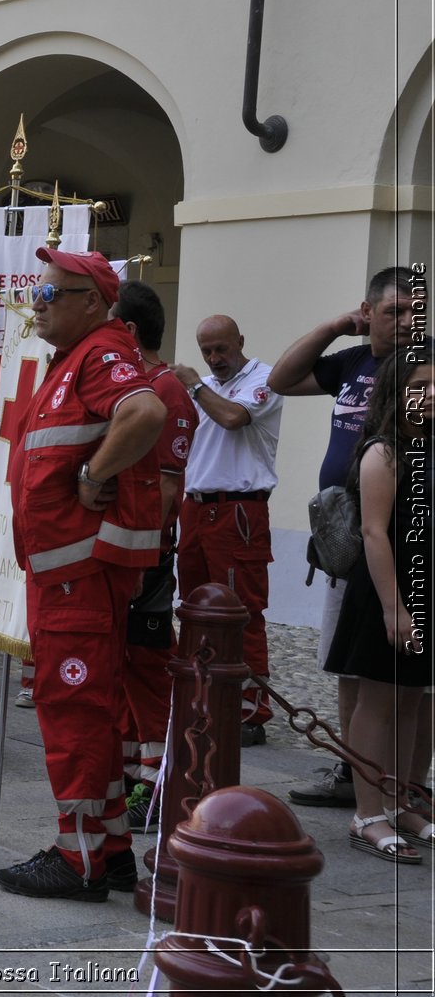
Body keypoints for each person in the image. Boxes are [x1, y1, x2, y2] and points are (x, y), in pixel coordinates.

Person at [0, 248, 165, 903]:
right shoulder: (72, 360)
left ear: (91, 301)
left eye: (51, 293)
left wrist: (95, 474)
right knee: (88, 711)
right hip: (66, 576)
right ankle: (111, 848)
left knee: (75, 713)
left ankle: (79, 857)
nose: (38, 302)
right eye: (40, 292)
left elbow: (145, 412)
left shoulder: (100, 353)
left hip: (79, 579)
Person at [269, 266, 422, 808]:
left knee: (404, 675)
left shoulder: (418, 370)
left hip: (403, 532)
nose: (407, 322)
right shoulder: (355, 360)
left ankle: (401, 782)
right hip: (347, 536)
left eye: (414, 311)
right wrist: (336, 325)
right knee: (351, 659)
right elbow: (281, 380)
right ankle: (352, 768)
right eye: (393, 312)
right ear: (369, 312)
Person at [322, 345, 432, 862]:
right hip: (388, 591)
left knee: (410, 699)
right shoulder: (383, 451)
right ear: (395, 394)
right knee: (378, 700)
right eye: (418, 387)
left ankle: (401, 799)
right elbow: (373, 532)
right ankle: (367, 813)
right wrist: (394, 607)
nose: (429, 396)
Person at [169, 315, 283, 747]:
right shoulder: (206, 385)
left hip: (238, 509)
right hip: (196, 507)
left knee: (241, 610)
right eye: (207, 352)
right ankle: (204, 696)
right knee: (195, 606)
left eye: (222, 349)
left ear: (240, 341)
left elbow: (235, 419)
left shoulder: (265, 378)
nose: (215, 359)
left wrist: (194, 384)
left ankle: (251, 710)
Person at [113, 282, 198, 830]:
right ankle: (128, 773)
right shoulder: (130, 383)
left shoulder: (167, 393)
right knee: (120, 666)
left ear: (129, 332)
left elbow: (166, 492)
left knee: (147, 667)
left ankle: (158, 779)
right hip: (117, 550)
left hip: (143, 552)